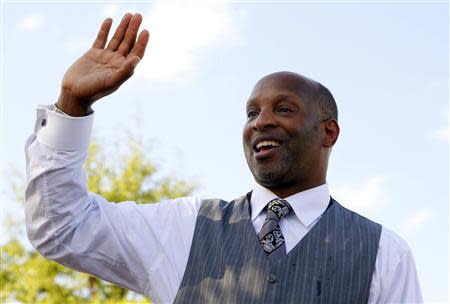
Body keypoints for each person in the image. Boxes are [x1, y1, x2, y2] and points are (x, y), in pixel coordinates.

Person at [25, 13, 423, 303]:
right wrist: (72, 105)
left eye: (283, 109)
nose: (261, 122)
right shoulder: (184, 229)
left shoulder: (384, 254)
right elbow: (63, 228)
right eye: (252, 113)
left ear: (328, 132)